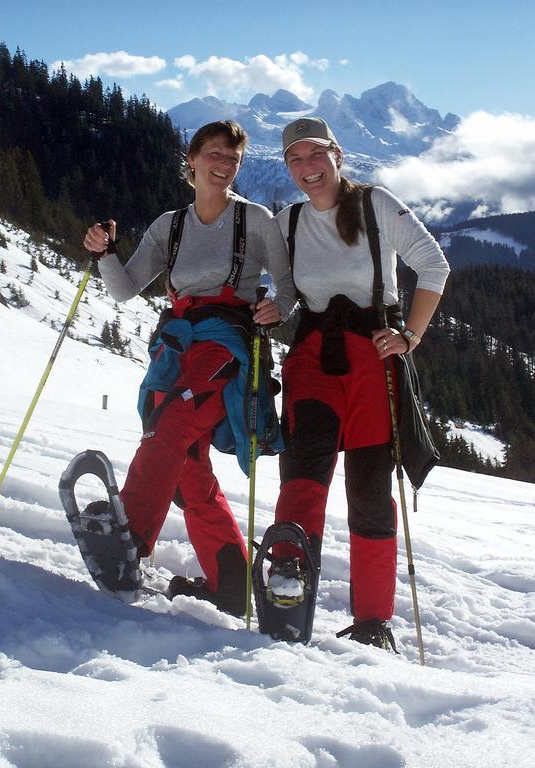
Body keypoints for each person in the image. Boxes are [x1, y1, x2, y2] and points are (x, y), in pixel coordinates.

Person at [82, 120, 296, 617]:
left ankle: (130, 538)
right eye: (217, 156)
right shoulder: (170, 226)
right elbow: (124, 287)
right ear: (193, 159)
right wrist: (105, 254)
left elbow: (288, 284)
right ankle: (231, 583)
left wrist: (278, 307)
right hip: (176, 347)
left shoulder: (255, 221)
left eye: (234, 160)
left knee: (171, 427)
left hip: (224, 346)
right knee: (189, 467)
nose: (225, 167)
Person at [271, 117, 449, 649]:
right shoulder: (290, 222)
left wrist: (410, 335)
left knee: (370, 486)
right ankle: (287, 585)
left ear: (337, 155)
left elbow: (434, 267)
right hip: (312, 360)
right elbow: (276, 286)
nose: (307, 168)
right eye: (295, 159)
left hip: (373, 361)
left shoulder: (376, 206)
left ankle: (374, 621)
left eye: (315, 155)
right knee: (304, 469)